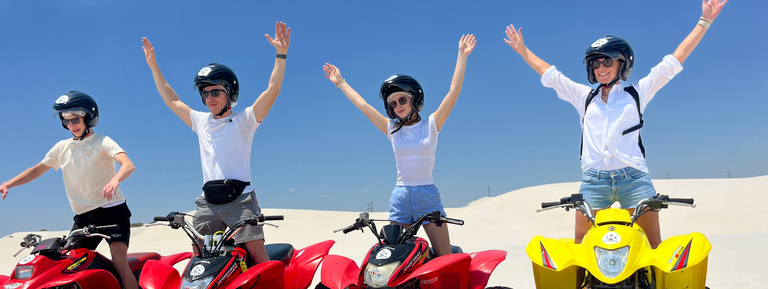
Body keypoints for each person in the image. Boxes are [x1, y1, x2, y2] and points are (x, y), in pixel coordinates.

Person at [504, 0, 729, 248]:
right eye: (596, 63)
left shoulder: (637, 93)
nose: (600, 68)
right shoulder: (583, 97)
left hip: (633, 177)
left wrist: (705, 21)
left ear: (622, 63)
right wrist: (523, 51)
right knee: (582, 246)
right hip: (594, 179)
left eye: (607, 62)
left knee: (651, 246)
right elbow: (551, 76)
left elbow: (672, 63)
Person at [142, 22, 290, 265]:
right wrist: (154, 66)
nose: (209, 98)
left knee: (256, 252)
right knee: (199, 257)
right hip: (208, 202)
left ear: (228, 93)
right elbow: (172, 99)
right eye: (205, 93)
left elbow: (273, 90)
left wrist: (280, 54)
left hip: (241, 200)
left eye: (215, 92)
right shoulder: (200, 122)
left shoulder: (245, 120)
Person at [323, 34, 477, 257]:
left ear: (414, 99)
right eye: (393, 103)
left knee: (444, 256)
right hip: (401, 197)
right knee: (394, 255)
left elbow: (453, 92)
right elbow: (363, 106)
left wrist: (461, 56)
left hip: (428, 197)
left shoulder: (432, 125)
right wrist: (341, 82)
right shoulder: (392, 129)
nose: (398, 106)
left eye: (402, 99)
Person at [0, 91, 142, 289]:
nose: (71, 124)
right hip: (84, 218)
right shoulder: (62, 148)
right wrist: (9, 183)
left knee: (120, 262)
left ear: (89, 117)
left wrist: (116, 178)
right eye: (66, 120)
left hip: (112, 212)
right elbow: (38, 169)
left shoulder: (102, 141)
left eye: (75, 119)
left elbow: (128, 164)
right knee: (67, 266)